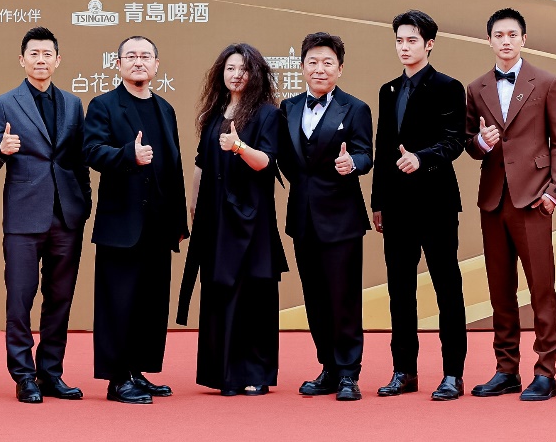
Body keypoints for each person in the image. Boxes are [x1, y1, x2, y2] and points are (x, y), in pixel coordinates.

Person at [464, 8, 556, 401]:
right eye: (498, 35)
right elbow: (470, 143)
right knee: (500, 290)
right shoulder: (475, 88)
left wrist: (554, 191)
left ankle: (545, 371)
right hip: (493, 200)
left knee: (541, 287)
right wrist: (481, 142)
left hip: (534, 199)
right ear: (489, 40)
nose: (505, 41)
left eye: (512, 35)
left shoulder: (548, 82)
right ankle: (506, 369)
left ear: (523, 39)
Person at [0, 27, 90, 404]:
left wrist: (83, 205)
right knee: (20, 299)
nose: (41, 60)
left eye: (47, 54)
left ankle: (51, 373)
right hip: (24, 217)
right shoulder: (5, 103)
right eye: (34, 53)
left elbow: (79, 161)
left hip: (66, 217)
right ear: (22, 59)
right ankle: (24, 376)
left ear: (57, 60)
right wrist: (2, 149)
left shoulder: (73, 104)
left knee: (60, 299)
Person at [177, 43, 286, 396]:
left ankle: (255, 372)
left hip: (251, 218)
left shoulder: (268, 114)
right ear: (220, 74)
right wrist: (194, 205)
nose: (237, 74)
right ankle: (221, 373)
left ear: (256, 74)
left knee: (254, 294)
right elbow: (201, 162)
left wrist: (239, 147)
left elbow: (267, 162)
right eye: (230, 68)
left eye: (244, 69)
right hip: (214, 217)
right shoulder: (214, 113)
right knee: (218, 290)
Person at [84, 35, 188, 405]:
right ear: (118, 64)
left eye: (145, 56)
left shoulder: (165, 109)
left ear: (156, 65)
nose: (138, 61)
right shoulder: (103, 105)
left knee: (150, 304)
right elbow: (92, 151)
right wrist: (129, 154)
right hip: (122, 225)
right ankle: (117, 379)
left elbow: (174, 167)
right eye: (131, 56)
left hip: (159, 225)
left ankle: (137, 371)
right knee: (118, 303)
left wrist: (179, 222)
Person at [370, 10, 467, 401]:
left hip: (436, 202)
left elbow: (455, 140)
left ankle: (453, 374)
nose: (404, 47)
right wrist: (377, 202)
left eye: (412, 40)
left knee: (447, 287)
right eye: (399, 40)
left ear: (429, 44)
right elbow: (382, 147)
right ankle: (404, 371)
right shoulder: (388, 90)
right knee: (400, 289)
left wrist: (421, 158)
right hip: (396, 207)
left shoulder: (448, 86)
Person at [278, 32, 374, 402]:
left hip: (341, 217)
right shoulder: (288, 108)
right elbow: (286, 160)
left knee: (343, 298)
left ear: (340, 68)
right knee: (315, 298)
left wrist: (353, 163)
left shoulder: (355, 108)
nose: (320, 69)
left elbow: (365, 154)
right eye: (313, 62)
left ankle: (349, 373)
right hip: (303, 217)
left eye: (327, 63)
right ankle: (329, 369)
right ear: (302, 67)